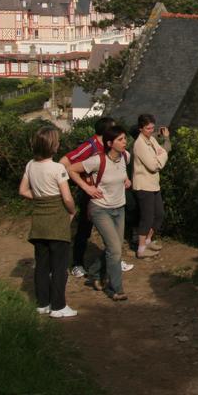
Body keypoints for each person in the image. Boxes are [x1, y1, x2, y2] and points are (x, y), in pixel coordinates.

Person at [61, 116, 133, 276]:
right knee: (84, 229)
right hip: (92, 197)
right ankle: (77, 263)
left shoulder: (114, 150)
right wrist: (85, 185)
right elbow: (65, 162)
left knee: (115, 234)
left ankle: (115, 260)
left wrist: (125, 178)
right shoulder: (90, 146)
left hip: (110, 197)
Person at [19, 126, 78, 318]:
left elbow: (23, 191)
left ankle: (42, 303)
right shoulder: (58, 168)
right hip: (57, 222)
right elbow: (67, 198)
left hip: (39, 222)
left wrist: (39, 198)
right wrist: (72, 211)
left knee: (42, 265)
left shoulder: (30, 165)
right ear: (52, 146)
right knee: (60, 266)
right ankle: (59, 306)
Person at [82, 125, 132, 301]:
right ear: (110, 143)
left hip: (119, 208)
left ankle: (94, 274)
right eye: (120, 139)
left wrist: (126, 180)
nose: (125, 142)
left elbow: (121, 173)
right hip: (100, 208)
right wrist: (87, 188)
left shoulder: (126, 156)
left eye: (125, 138)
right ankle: (115, 289)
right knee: (116, 250)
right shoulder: (97, 160)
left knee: (114, 248)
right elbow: (71, 169)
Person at [131, 113, 171, 259]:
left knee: (159, 214)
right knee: (147, 217)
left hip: (154, 184)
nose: (151, 130)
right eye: (148, 128)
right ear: (141, 128)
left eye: (152, 128)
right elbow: (154, 165)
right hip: (143, 185)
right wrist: (163, 154)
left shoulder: (151, 139)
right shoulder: (139, 144)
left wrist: (161, 153)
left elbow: (161, 154)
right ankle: (141, 249)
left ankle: (147, 240)